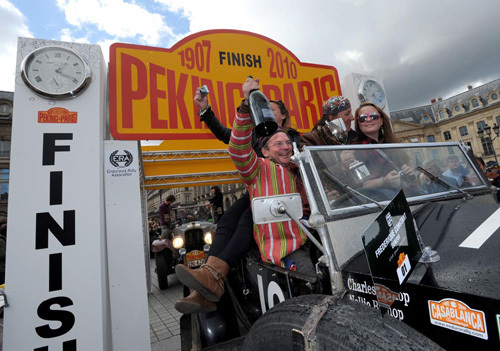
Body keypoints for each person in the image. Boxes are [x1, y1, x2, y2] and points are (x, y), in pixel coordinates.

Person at [174, 78, 312, 314]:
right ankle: (210, 278)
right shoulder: (257, 147)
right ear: (265, 150)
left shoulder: (295, 145)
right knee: (229, 218)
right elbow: (233, 140)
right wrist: (211, 111)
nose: (263, 113)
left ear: (282, 118)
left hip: (281, 203)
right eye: (276, 144)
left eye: (268, 109)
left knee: (248, 218)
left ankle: (213, 278)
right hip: (259, 188)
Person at [351, 102, 416, 190]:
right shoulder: (354, 149)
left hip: (403, 196)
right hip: (378, 200)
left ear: (381, 120)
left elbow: (405, 172)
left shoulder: (392, 144)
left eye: (374, 116)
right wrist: (384, 181)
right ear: (358, 123)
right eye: (363, 118)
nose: (369, 119)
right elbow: (357, 186)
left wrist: (409, 172)